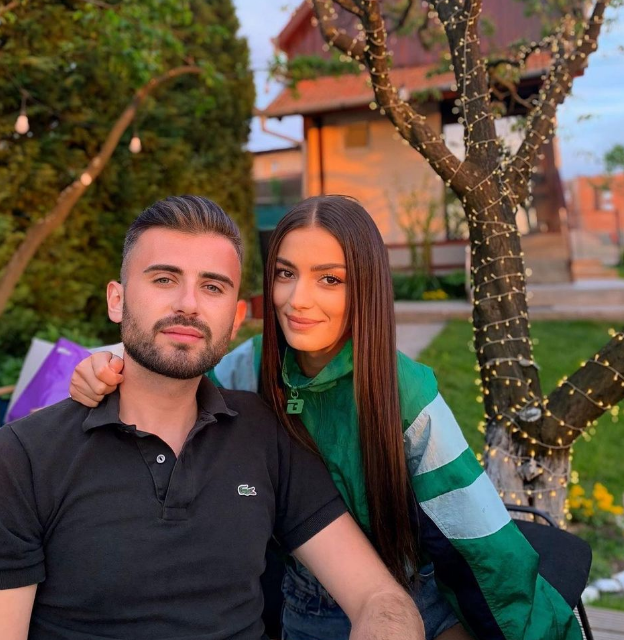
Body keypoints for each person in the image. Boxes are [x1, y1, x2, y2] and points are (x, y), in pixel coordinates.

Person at [71, 195, 582, 640]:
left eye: (330, 279)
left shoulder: (404, 392)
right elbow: (173, 361)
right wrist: (108, 363)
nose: (298, 300)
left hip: (413, 596)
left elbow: (480, 534)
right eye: (285, 274)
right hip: (303, 603)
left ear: (365, 287)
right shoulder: (252, 366)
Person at [0, 196, 425, 640]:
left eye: (212, 287)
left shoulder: (264, 432)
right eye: (164, 279)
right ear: (116, 300)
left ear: (235, 319)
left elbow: (379, 597)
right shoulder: (22, 460)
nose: (188, 305)